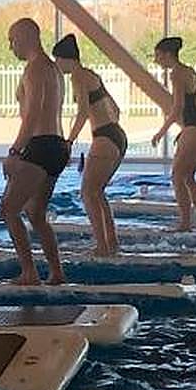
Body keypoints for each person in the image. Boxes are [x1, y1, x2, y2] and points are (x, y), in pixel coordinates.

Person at [0, 19, 68, 286]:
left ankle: (29, 273)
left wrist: (15, 151)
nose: (10, 47)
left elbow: (33, 113)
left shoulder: (35, 68)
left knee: (8, 209)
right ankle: (56, 272)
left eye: (12, 40)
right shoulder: (53, 69)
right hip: (56, 146)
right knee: (37, 213)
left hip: (40, 146)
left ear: (26, 37)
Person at [53, 33, 127, 258]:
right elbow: (115, 109)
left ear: (66, 59)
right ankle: (111, 242)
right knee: (97, 192)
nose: (57, 65)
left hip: (104, 137)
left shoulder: (78, 77)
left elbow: (83, 112)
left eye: (57, 61)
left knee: (87, 192)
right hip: (117, 135)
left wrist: (69, 141)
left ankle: (102, 246)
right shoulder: (92, 75)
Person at [151, 35, 196, 231]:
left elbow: (178, 107)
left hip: (195, 127)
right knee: (188, 177)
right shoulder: (190, 71)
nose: (156, 60)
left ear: (168, 54)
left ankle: (185, 223)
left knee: (178, 176)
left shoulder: (177, 73)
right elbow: (194, 106)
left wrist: (161, 132)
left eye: (158, 56)